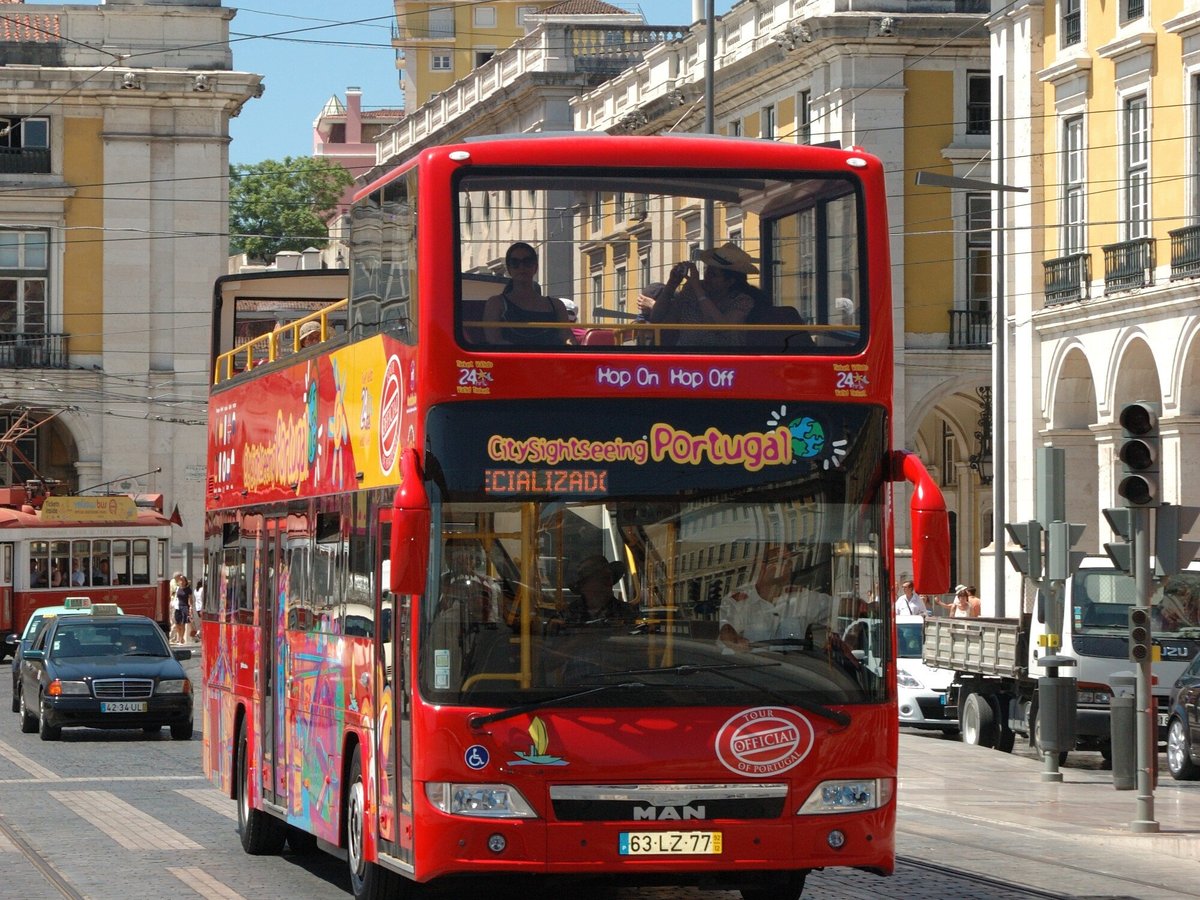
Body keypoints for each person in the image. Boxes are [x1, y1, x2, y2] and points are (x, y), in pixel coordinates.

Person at [647, 243, 764, 346]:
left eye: (713, 275)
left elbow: (720, 327)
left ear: (730, 281)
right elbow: (657, 318)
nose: (707, 277)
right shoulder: (691, 291)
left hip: (724, 362)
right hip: (687, 359)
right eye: (707, 271)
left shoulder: (742, 301)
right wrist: (671, 284)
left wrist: (698, 289)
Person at [482, 242, 572, 346]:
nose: (521, 267)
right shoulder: (497, 303)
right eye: (515, 263)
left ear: (536, 267)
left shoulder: (557, 305)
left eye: (527, 262)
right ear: (509, 269)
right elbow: (494, 340)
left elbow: (567, 338)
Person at [719, 543, 802, 649]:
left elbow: (828, 609)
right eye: (781, 562)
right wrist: (736, 643)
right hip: (753, 663)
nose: (787, 568)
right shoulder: (737, 601)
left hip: (796, 665)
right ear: (763, 567)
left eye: (789, 563)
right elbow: (727, 637)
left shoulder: (801, 597)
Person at [562, 554, 637, 625]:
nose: (608, 582)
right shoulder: (568, 615)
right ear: (584, 585)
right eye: (601, 578)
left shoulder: (628, 612)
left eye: (609, 576)